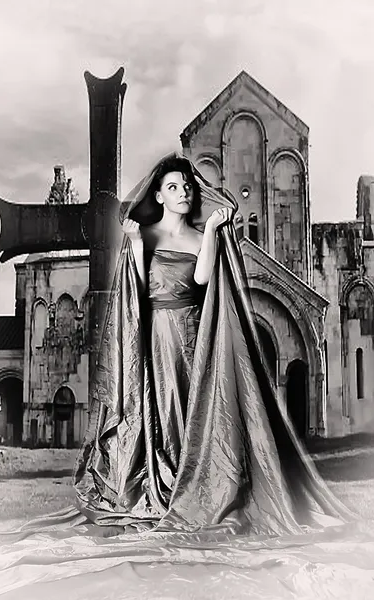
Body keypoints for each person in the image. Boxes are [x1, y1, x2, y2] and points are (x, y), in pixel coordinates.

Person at [73, 153, 356, 535]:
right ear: (158, 195)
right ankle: (167, 482)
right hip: (156, 333)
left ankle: (196, 483)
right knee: (163, 407)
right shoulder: (146, 234)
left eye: (187, 186)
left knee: (194, 408)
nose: (182, 192)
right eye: (172, 187)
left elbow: (204, 277)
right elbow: (137, 291)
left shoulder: (197, 234)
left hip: (193, 332)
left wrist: (210, 232)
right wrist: (137, 243)